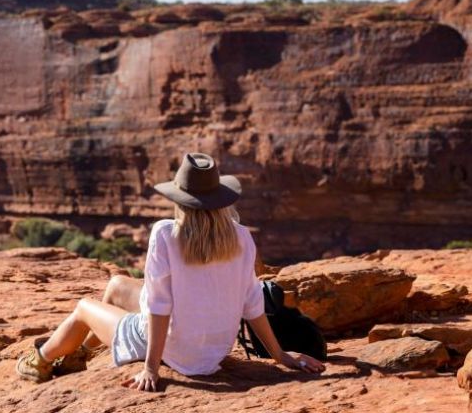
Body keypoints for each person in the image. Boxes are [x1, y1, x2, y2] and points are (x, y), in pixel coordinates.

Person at [16, 152, 325, 391]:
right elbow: (252, 304)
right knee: (116, 285)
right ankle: (77, 356)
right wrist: (280, 355)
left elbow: (159, 307)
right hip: (213, 350)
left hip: (173, 348)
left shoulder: (165, 233)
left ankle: (39, 361)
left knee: (84, 308)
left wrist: (151, 367)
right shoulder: (241, 236)